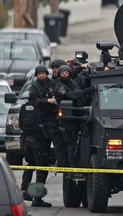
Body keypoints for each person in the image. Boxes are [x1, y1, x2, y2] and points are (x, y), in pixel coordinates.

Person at [19, 65, 53, 207]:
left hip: (29, 138)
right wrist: (48, 102)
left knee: (31, 165)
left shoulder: (25, 106)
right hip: (37, 138)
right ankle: (36, 198)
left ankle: (25, 191)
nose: (41, 76)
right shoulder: (36, 96)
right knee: (41, 167)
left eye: (43, 74)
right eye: (39, 74)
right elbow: (36, 102)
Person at [53, 65, 96, 167]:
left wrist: (81, 67)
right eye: (62, 73)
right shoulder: (59, 86)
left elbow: (73, 73)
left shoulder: (71, 80)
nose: (65, 75)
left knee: (81, 142)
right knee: (72, 144)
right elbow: (72, 95)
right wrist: (88, 90)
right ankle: (72, 166)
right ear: (59, 74)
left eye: (66, 73)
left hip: (79, 116)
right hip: (69, 119)